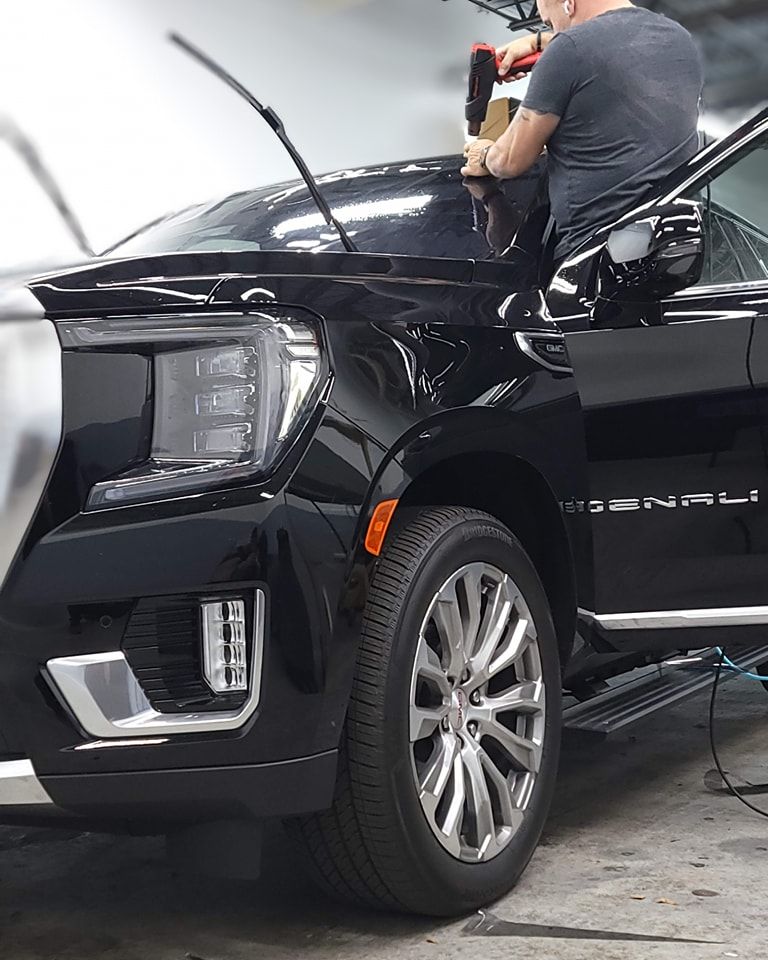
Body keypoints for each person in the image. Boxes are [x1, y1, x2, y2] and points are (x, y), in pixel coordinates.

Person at [461, 0, 704, 262]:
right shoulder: (680, 38)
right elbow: (612, 48)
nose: (553, 29)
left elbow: (509, 161)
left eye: (549, 22)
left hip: (598, 259)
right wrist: (541, 41)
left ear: (569, 3)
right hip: (677, 248)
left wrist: (483, 154)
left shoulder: (569, 49)